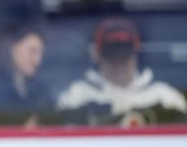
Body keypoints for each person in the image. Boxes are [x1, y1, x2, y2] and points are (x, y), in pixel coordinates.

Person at [57, 17, 187, 126]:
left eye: (124, 58)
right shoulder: (77, 95)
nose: (118, 65)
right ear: (99, 57)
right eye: (112, 58)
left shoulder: (163, 96)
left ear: (136, 57)